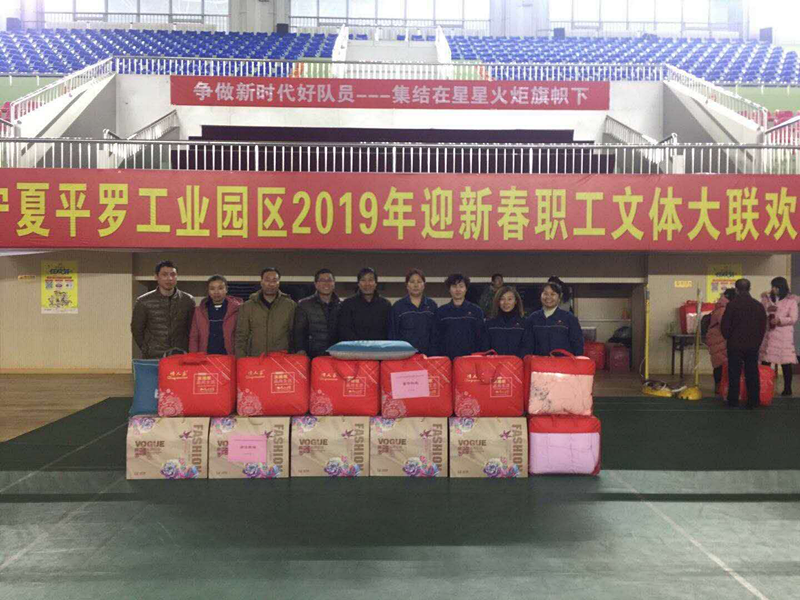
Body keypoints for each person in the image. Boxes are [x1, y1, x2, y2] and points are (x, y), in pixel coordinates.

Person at [131, 260, 195, 359]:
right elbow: (137, 329)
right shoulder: (143, 301)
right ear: (156, 277)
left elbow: (191, 328)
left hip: (179, 355)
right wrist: (146, 349)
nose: (169, 278)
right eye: (164, 275)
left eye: (173, 275)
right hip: (154, 356)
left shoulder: (187, 300)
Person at [721, 278, 767, 408]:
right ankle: (753, 401)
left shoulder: (732, 305)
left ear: (736, 289)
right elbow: (763, 326)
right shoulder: (758, 305)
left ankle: (733, 400)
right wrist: (758, 341)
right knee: (752, 372)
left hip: (735, 344)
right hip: (753, 345)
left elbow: (725, 326)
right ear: (749, 289)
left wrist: (728, 337)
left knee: (734, 373)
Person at [235, 267, 296, 357]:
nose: (271, 284)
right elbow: (241, 336)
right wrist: (240, 359)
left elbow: (294, 335)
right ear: (261, 282)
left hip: (281, 359)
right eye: (267, 280)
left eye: (274, 280)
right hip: (255, 358)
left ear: (279, 283)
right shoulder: (247, 306)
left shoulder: (290, 305)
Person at [433, 273, 488, 360]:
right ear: (449, 289)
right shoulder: (441, 312)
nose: (458, 290)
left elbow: (481, 338)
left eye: (461, 286)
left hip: (470, 360)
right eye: (454, 286)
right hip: (447, 361)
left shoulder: (476, 311)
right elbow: (435, 339)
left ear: (466, 289)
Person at [522, 282, 584, 357]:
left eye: (552, 294)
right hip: (539, 362)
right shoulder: (532, 318)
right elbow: (527, 345)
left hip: (563, 363)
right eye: (545, 294)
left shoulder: (569, 318)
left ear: (559, 297)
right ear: (540, 295)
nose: (548, 297)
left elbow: (578, 345)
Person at [759, 276, 798, 396]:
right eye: (773, 287)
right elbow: (760, 313)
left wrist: (779, 320)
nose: (773, 289)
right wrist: (767, 314)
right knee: (765, 362)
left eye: (776, 287)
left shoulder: (791, 301)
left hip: (783, 337)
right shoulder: (766, 299)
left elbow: (793, 318)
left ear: (782, 287)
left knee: (785, 363)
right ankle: (764, 388)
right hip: (769, 335)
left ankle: (787, 389)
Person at [388, 268, 438, 354]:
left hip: (427, 356)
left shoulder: (432, 306)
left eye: (419, 282)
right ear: (407, 285)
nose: (416, 285)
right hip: (404, 356)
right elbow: (393, 334)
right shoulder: (398, 306)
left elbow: (436, 334)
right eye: (412, 282)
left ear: (424, 285)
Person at [189, 275, 241, 355]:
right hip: (205, 357)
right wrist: (193, 356)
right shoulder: (199, 311)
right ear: (208, 291)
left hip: (229, 356)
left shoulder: (237, 310)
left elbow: (241, 336)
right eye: (212, 289)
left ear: (226, 289)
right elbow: (194, 337)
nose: (216, 292)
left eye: (220, 288)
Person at [294, 268, 341, 358]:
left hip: (337, 355)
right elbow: (298, 331)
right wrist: (300, 350)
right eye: (322, 280)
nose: (326, 283)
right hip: (312, 355)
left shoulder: (342, 305)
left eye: (329, 280)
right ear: (316, 284)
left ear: (334, 283)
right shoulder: (304, 305)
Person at [337, 267, 392, 341]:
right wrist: (360, 345)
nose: (367, 284)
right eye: (363, 280)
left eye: (370, 280)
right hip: (354, 347)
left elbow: (389, 330)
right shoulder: (347, 304)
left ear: (376, 283)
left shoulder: (385, 305)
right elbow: (345, 330)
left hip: (379, 347)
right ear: (358, 284)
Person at [706, 288, 737, 393]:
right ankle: (720, 387)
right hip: (720, 339)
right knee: (720, 364)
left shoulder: (721, 307)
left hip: (716, 339)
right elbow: (726, 325)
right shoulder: (723, 309)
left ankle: (719, 387)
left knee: (718, 363)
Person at [485, 285, 526, 356]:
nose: (506, 303)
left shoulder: (524, 323)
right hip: (494, 362)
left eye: (509, 299)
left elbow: (526, 348)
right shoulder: (489, 323)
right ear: (498, 301)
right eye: (502, 299)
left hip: (517, 362)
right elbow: (485, 348)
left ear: (516, 301)